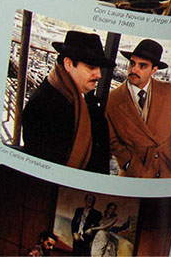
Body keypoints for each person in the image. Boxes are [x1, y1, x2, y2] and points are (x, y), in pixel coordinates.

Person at [21, 30, 113, 173]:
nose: (99, 75)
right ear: (69, 64)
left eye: (99, 68)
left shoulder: (77, 96)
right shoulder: (43, 106)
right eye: (91, 67)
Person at [105, 38, 171, 178]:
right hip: (134, 173)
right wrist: (127, 163)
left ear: (154, 70)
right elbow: (111, 138)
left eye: (142, 66)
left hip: (166, 170)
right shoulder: (113, 99)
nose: (134, 70)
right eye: (132, 63)